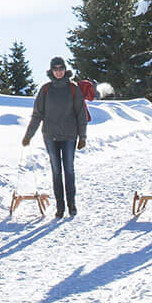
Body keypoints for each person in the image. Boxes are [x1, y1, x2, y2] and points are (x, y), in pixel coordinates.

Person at [22, 55, 90, 218]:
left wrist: (82, 137)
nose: (58, 71)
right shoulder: (46, 90)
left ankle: (71, 204)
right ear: (51, 71)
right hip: (50, 136)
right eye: (55, 69)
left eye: (61, 68)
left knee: (69, 170)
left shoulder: (73, 89)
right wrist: (28, 135)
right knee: (56, 171)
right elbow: (37, 114)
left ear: (65, 70)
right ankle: (60, 207)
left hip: (69, 136)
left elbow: (81, 114)